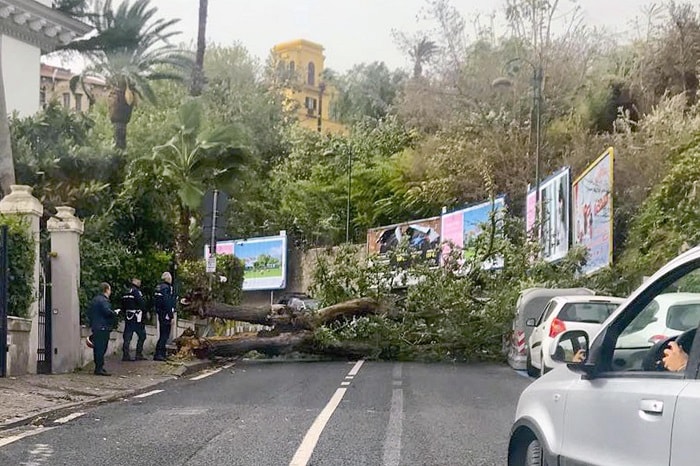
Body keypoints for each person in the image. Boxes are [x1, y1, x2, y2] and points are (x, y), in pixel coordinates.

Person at [87, 282, 118, 376]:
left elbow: (90, 313)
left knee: (97, 348)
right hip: (103, 327)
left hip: (96, 326)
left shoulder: (95, 300)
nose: (110, 292)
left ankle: (98, 367)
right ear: (107, 290)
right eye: (110, 290)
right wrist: (115, 313)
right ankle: (99, 368)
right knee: (101, 348)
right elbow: (107, 312)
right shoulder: (104, 301)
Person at [121, 278, 147, 361]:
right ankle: (138, 354)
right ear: (135, 282)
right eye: (139, 281)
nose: (140, 283)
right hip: (136, 317)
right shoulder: (136, 292)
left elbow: (122, 304)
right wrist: (145, 313)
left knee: (127, 336)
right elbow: (141, 303)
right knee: (142, 335)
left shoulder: (126, 291)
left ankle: (125, 355)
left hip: (128, 316)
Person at [154, 271, 175, 361]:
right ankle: (159, 354)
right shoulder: (167, 288)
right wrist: (171, 315)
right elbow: (167, 301)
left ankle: (160, 353)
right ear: (168, 279)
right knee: (165, 335)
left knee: (163, 333)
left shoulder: (158, 287)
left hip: (160, 313)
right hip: (166, 314)